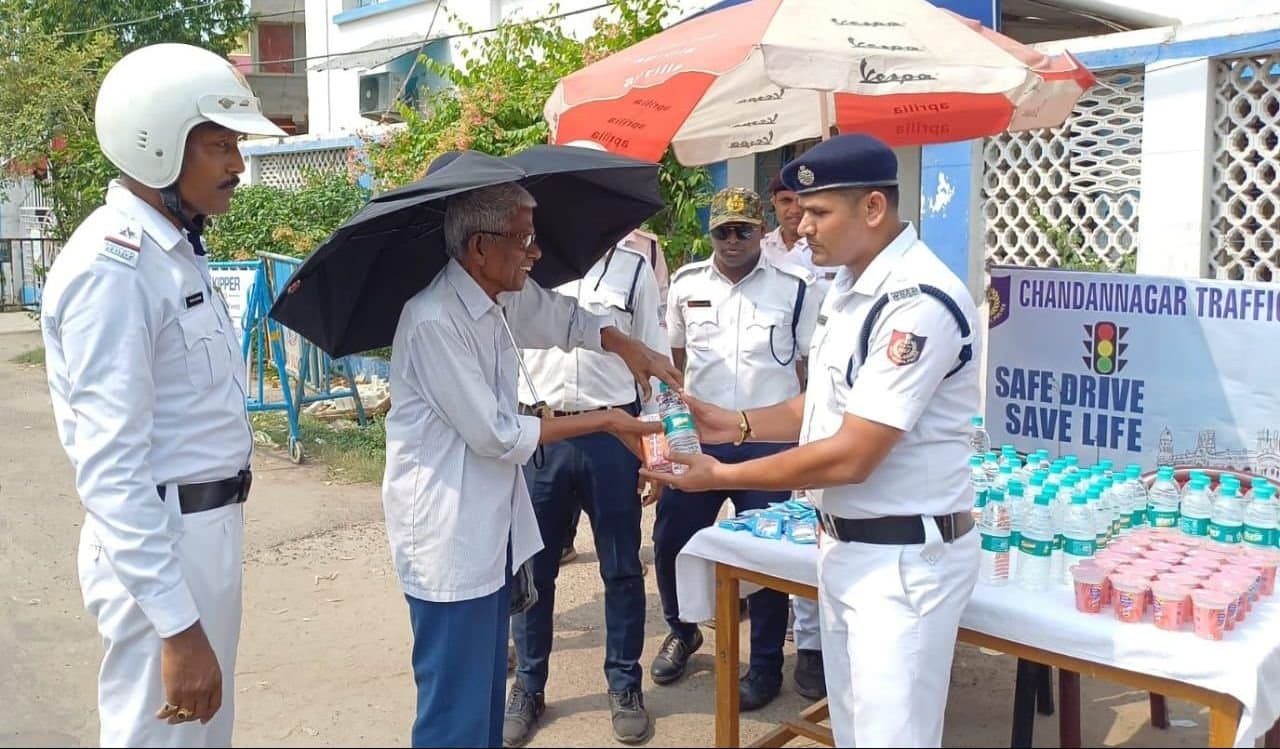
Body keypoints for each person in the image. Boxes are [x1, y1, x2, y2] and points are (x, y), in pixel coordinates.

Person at [643, 134, 982, 747]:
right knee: (855, 733)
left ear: (873, 208)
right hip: (849, 548)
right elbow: (819, 406)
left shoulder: (917, 302)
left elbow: (853, 453)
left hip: (900, 560)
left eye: (818, 214)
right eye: (799, 215)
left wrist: (721, 476)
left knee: (891, 738)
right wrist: (735, 424)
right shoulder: (851, 289)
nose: (800, 232)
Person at [39, 43, 286, 747]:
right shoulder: (113, 269)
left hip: (200, 531)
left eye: (235, 143)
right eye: (218, 144)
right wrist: (177, 625)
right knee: (163, 737)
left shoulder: (172, 248)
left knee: (203, 736)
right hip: (163, 544)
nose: (237, 164)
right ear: (154, 146)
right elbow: (111, 469)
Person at [381, 179, 680, 748]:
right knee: (454, 710)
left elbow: (564, 317)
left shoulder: (494, 300)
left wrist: (626, 344)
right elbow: (496, 434)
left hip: (488, 529)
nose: (535, 253)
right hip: (450, 541)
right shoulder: (436, 320)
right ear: (480, 248)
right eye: (523, 240)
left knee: (484, 698)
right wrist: (609, 420)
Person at [651, 187, 819, 712]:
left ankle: (765, 661)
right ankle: (682, 629)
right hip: (697, 438)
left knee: (767, 554)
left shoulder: (795, 289)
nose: (731, 239)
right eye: (722, 230)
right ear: (711, 234)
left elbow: (808, 368)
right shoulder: (685, 284)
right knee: (673, 535)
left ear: (759, 230)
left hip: (768, 440)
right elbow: (674, 363)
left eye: (742, 230)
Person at [504, 239, 669, 747]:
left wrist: (656, 456)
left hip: (612, 435)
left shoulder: (633, 269)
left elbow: (654, 362)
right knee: (535, 570)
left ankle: (624, 685)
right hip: (542, 436)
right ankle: (529, 687)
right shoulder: (523, 268)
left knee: (621, 567)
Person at [762, 173, 837, 301]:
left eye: (802, 201)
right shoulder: (760, 250)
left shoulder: (838, 250)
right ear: (773, 202)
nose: (795, 210)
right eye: (786, 201)